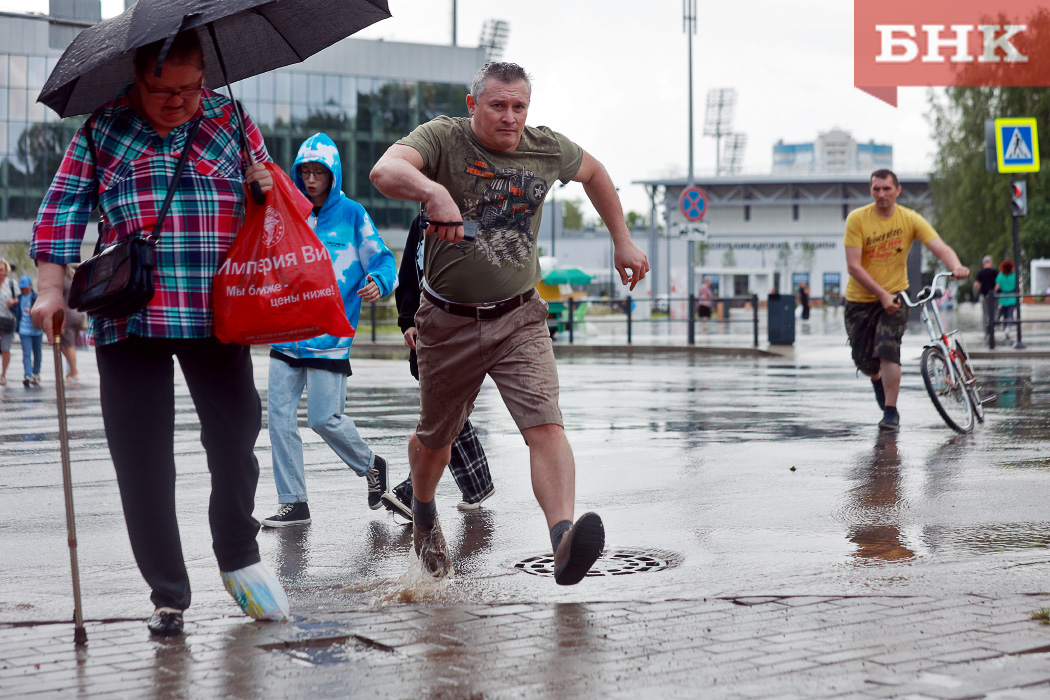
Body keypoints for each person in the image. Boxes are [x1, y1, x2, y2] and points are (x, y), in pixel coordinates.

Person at [30, 31, 287, 637]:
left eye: (189, 89)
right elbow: (63, 206)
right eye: (161, 90)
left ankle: (237, 553)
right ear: (135, 77)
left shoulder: (232, 117)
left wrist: (265, 189)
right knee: (142, 461)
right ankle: (168, 593)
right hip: (130, 313)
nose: (177, 102)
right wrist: (49, 287)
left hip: (217, 312)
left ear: (205, 77)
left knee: (234, 445)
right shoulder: (104, 126)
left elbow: (268, 199)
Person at [369, 62, 650, 584]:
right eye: (498, 105)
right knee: (435, 438)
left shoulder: (545, 149)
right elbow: (385, 171)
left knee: (546, 425)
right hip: (447, 322)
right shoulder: (443, 139)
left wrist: (623, 239)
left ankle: (562, 540)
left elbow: (595, 173)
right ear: (474, 104)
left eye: (519, 106)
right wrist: (433, 192)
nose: (510, 116)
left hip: (519, 316)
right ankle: (425, 514)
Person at [261, 133, 396, 528]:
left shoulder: (353, 214)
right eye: (305, 171)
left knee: (324, 419)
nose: (311, 179)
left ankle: (371, 465)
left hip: (330, 338)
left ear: (333, 173)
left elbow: (383, 260)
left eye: (319, 172)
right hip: (287, 332)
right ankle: (294, 502)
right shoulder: (288, 211)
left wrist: (379, 282)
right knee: (279, 421)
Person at [379, 213, 496, 523]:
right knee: (447, 407)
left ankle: (411, 492)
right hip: (425, 326)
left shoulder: (472, 218)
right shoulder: (420, 221)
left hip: (460, 327)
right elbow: (408, 276)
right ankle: (477, 483)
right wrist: (407, 321)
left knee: (440, 408)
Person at [844, 169, 968, 432]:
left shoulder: (909, 219)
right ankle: (876, 378)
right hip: (860, 300)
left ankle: (891, 411)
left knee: (888, 350)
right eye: (876, 189)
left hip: (897, 295)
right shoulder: (857, 219)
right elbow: (854, 266)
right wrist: (881, 295)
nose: (881, 194)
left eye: (887, 189)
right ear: (871, 191)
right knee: (865, 362)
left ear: (897, 191)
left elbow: (941, 247)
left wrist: (956, 266)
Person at [17, 275, 41, 387]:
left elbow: (41, 310)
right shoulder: (19, 298)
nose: (23, 290)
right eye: (21, 288)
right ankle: (27, 375)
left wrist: (31, 310)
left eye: (25, 287)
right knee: (26, 353)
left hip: (36, 330)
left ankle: (36, 373)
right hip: (24, 330)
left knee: (37, 353)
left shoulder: (36, 297)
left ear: (30, 286)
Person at [61, 265, 84, 384]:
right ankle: (71, 371)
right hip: (78, 314)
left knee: (67, 346)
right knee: (70, 346)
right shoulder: (73, 274)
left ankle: (74, 372)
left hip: (67, 315)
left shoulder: (61, 277)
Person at [0, 259, 18, 385]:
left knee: (5, 348)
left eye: (1, 270)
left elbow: (20, 298)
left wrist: (13, 301)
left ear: (6, 271)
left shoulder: (11, 284)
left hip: (7, 320)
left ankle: (3, 374)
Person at [974, 255, 998, 346]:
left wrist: (980, 292)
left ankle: (985, 332)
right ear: (991, 262)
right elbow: (998, 284)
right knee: (994, 313)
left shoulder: (981, 272)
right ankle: (992, 329)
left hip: (985, 296)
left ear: (983, 263)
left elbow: (976, 285)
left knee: (985, 314)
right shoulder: (995, 272)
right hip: (994, 297)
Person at [995, 259, 1018, 341]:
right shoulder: (1014, 275)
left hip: (1003, 297)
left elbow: (997, 287)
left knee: (1004, 314)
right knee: (1010, 314)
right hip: (1012, 297)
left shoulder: (1000, 276)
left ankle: (1005, 328)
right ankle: (1008, 327)